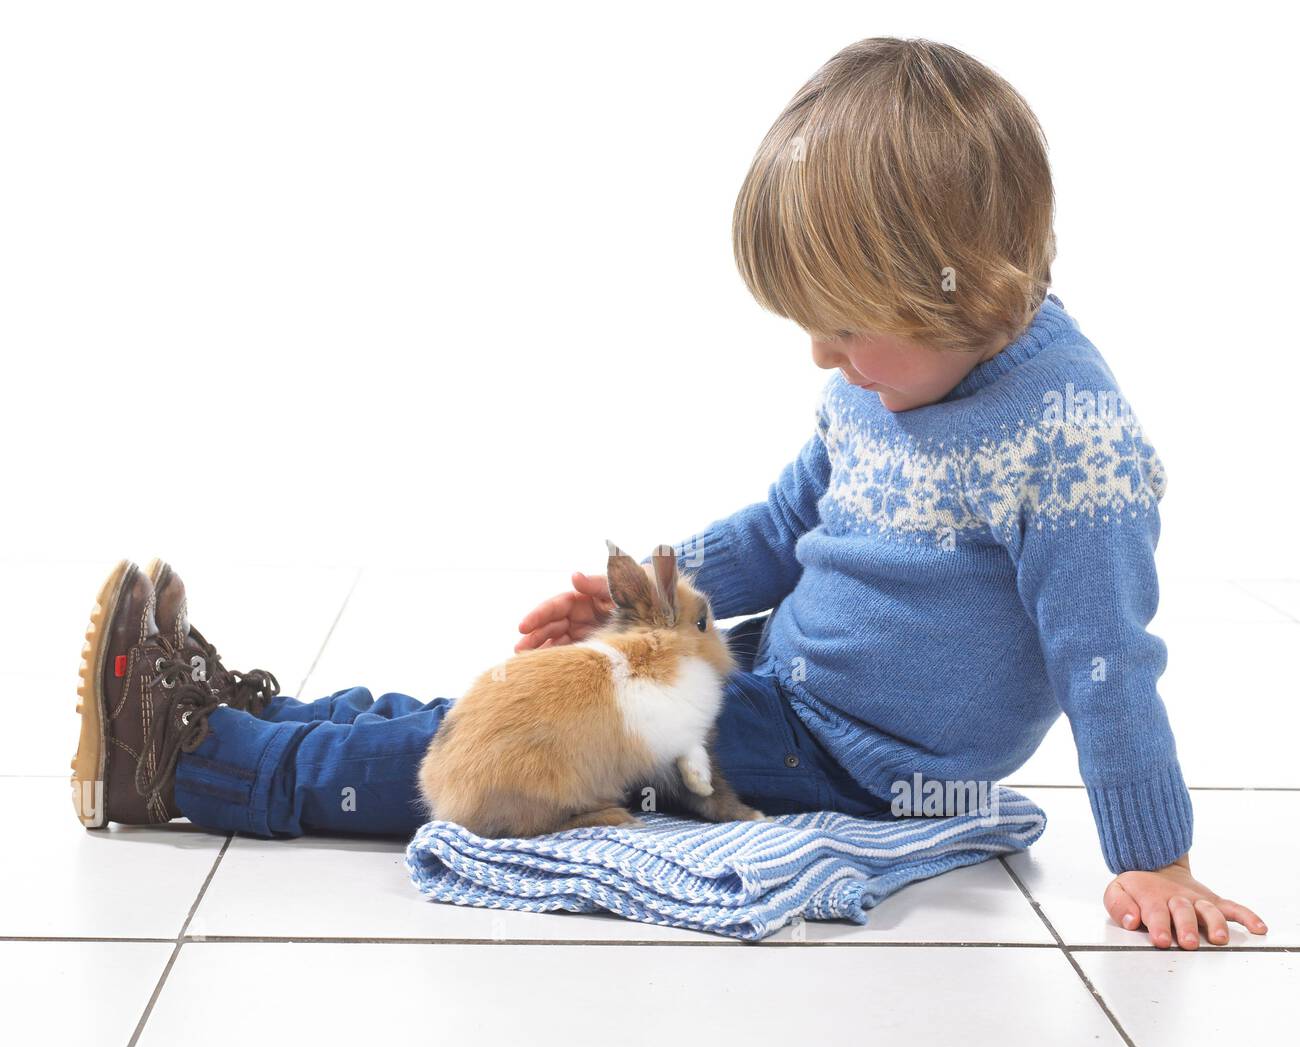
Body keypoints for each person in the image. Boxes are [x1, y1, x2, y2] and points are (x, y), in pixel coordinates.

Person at [68, 37, 1266, 951]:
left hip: (863, 764)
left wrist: (1155, 857)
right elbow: (785, 523)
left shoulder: (1069, 442)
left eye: (847, 330)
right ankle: (261, 710)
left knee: (527, 762)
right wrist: (639, 605)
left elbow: (1106, 656)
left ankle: (199, 765)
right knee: (491, 704)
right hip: (775, 683)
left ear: (970, 293)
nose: (824, 360)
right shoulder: (884, 384)